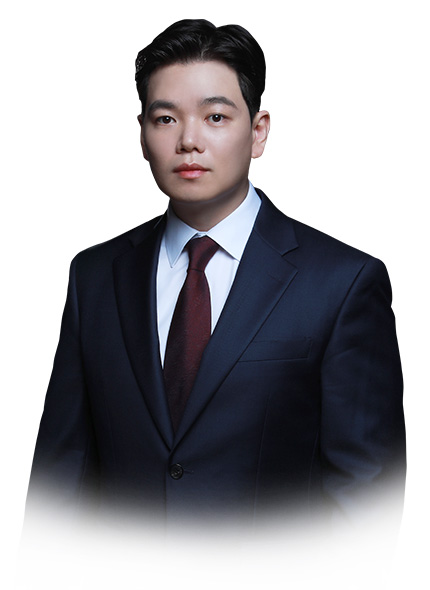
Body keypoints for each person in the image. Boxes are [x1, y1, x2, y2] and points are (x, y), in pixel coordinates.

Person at [26, 19, 406, 533]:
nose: (189, 140)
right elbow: (58, 482)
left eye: (216, 117)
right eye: (165, 119)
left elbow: (367, 496)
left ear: (258, 131)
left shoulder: (342, 283)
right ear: (142, 135)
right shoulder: (94, 276)